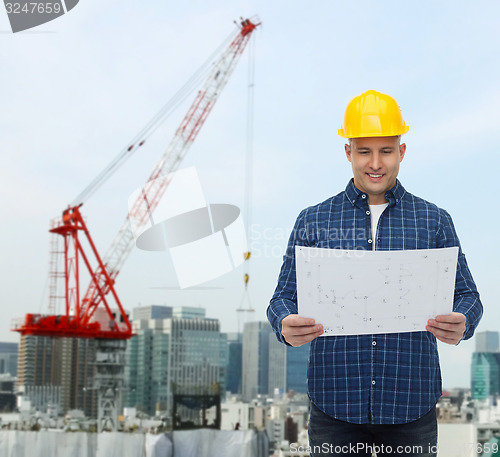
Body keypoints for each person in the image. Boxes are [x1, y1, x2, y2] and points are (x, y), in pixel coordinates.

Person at [267, 89, 482, 456]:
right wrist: (285, 323)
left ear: (401, 151)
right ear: (348, 152)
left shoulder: (433, 220)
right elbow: (282, 298)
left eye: (386, 150)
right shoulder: (314, 220)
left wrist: (463, 320)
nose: (375, 163)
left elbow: (468, 296)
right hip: (335, 404)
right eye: (364, 151)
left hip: (410, 405)